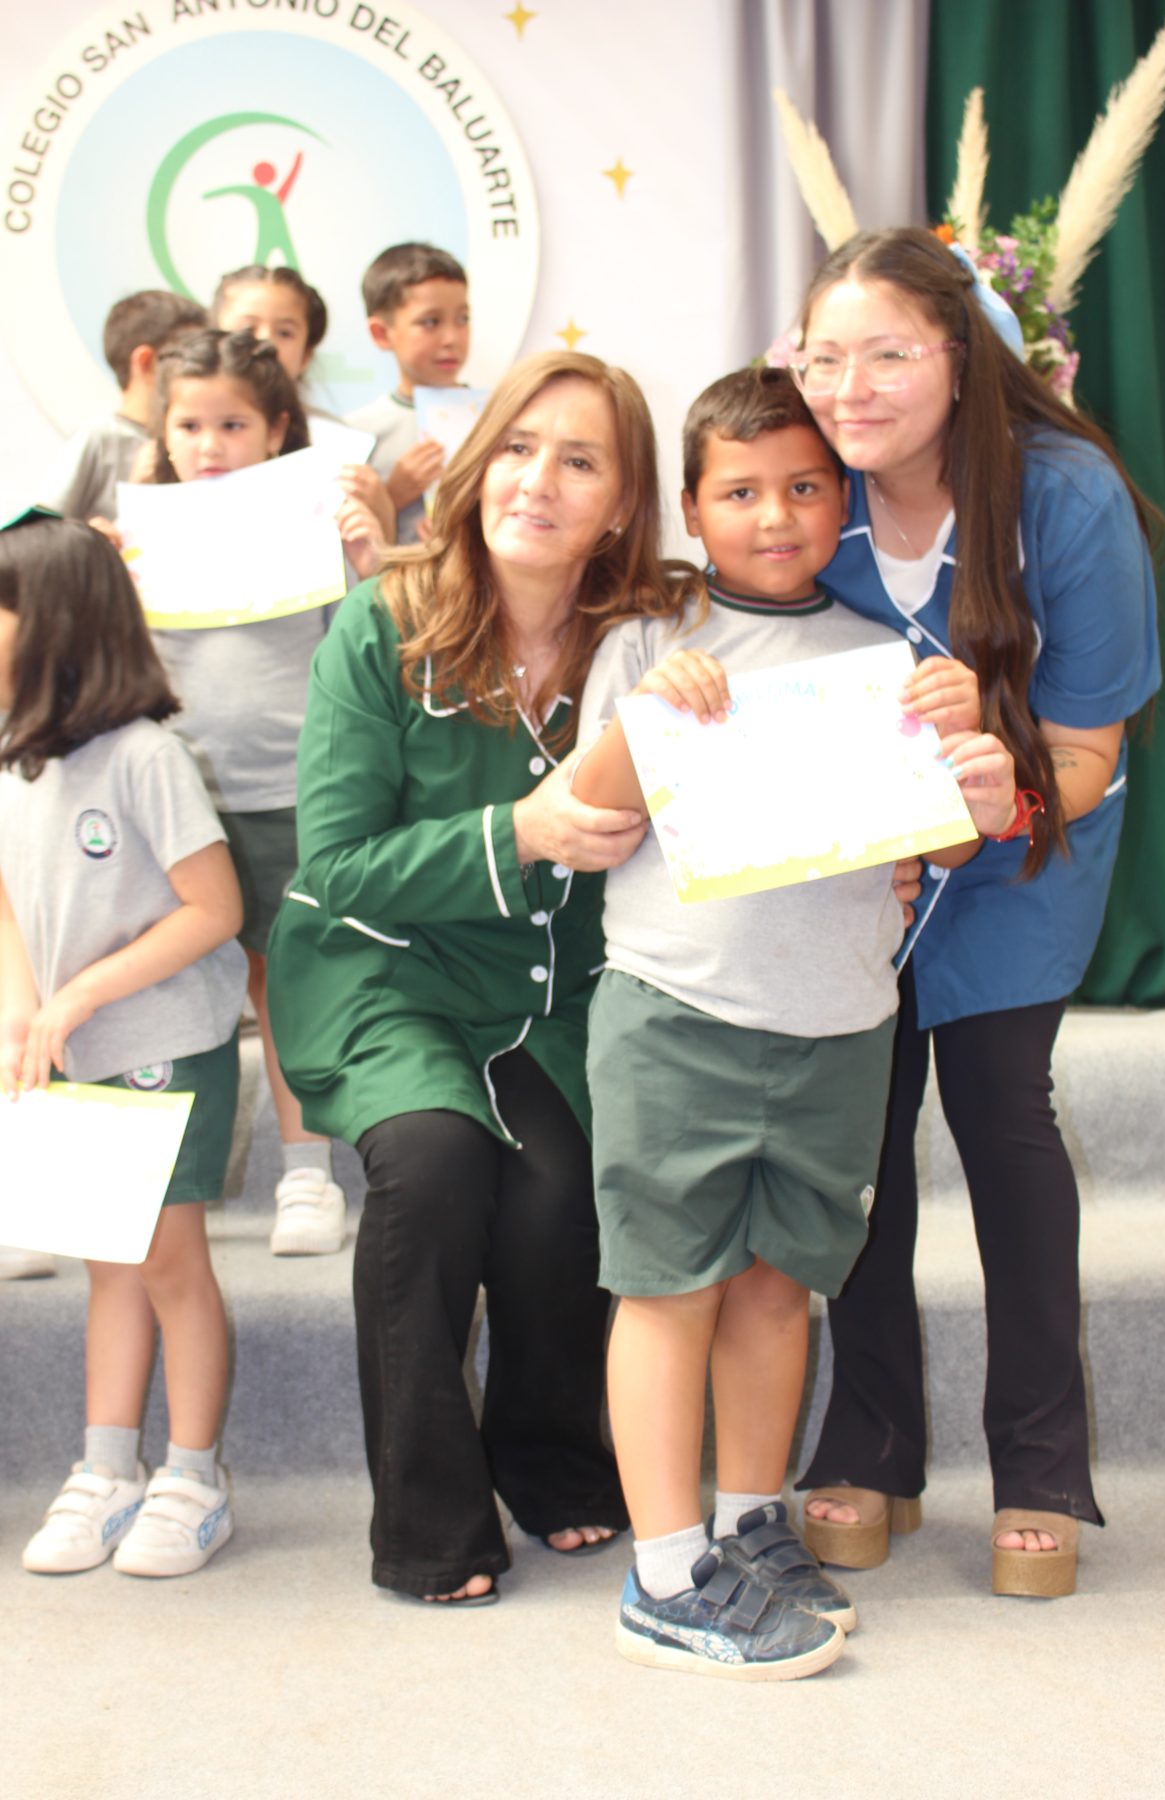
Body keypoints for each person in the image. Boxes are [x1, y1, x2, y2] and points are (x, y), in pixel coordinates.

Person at [573, 366, 1016, 1678]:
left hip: (837, 1025)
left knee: (777, 1290)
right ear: (696, 511)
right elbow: (590, 822)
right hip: (677, 1014)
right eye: (743, 492)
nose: (777, 514)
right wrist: (656, 715)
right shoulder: (651, 644)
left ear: (845, 501)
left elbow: (937, 842)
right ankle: (661, 1573)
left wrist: (967, 750)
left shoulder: (893, 656)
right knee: (667, 1288)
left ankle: (747, 1522)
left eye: (806, 486)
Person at [265, 349, 686, 1605]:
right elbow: (335, 868)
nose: (537, 481)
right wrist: (521, 834)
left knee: (564, 1199)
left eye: (579, 459)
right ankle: (428, 1523)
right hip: (386, 975)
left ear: (622, 501)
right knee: (436, 1171)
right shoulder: (382, 622)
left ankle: (553, 1462)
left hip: (554, 995)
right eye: (516, 445)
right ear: (473, 458)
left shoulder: (651, 632)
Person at [789, 227, 1162, 1598]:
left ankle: (1042, 1465)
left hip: (1027, 850)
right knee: (859, 1139)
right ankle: (875, 1445)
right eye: (823, 355)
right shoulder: (806, 493)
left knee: (1002, 1115)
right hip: (862, 870)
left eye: (888, 352)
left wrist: (998, 789)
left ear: (966, 357)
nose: (851, 385)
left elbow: (1088, 753)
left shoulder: (1066, 498)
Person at [102, 328, 385, 1257]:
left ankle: (306, 1175)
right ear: (162, 429)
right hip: (170, 806)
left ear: (276, 432)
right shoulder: (134, 540)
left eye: (233, 423)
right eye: (190, 423)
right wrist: (100, 577)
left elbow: (370, 642)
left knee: (284, 980)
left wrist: (365, 553)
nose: (210, 443)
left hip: (289, 794)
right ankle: (128, 1178)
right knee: (160, 985)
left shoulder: (310, 529)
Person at [0, 514, 247, 1576]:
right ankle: (108, 1468)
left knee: (169, 1263)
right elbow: (9, 906)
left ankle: (194, 1474)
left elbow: (216, 906)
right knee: (111, 1266)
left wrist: (84, 993)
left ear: (53, 621)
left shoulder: (147, 757)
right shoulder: (16, 761)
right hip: (72, 1059)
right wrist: (26, 1009)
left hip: (162, 1047)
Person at [210, 264, 395, 543]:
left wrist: (383, 514)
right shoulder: (180, 438)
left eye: (284, 333)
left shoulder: (340, 448)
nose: (265, 343)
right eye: (248, 327)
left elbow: (372, 561)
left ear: (306, 354)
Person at [35, 290, 207, 522]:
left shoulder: (196, 442)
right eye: (189, 358)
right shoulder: (100, 439)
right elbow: (43, 530)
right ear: (146, 362)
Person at [346, 242, 471, 543]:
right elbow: (353, 547)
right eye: (430, 322)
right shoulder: (357, 435)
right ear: (381, 333)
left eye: (463, 319)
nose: (451, 338)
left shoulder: (499, 416)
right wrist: (392, 497)